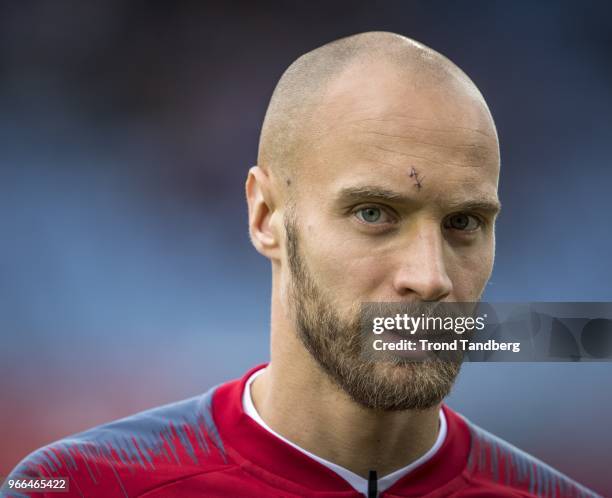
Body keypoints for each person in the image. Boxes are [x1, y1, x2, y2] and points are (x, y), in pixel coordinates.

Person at [2, 31, 600, 498]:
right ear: (266, 217)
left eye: (464, 223)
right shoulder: (81, 485)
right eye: (374, 213)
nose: (431, 277)